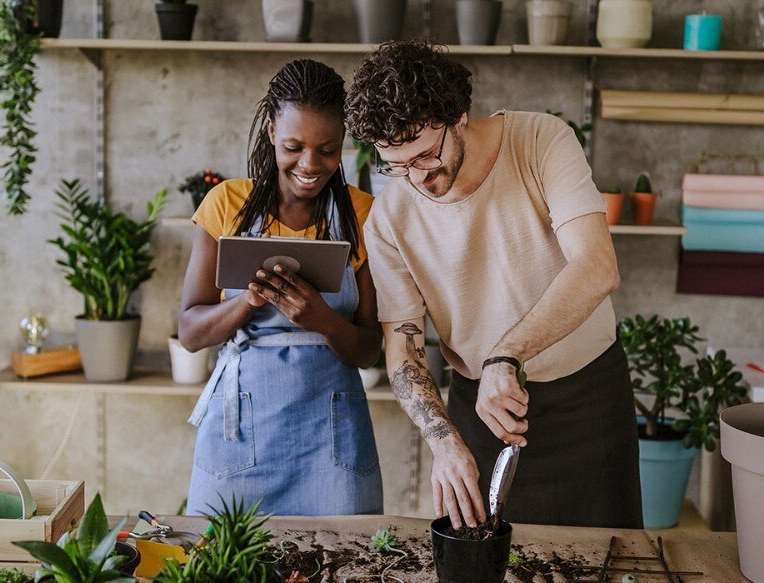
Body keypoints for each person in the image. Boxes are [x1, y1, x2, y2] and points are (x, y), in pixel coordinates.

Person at [345, 41, 641, 529]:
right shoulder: (389, 220)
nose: (416, 179)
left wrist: (507, 354)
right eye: (394, 166)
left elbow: (597, 266)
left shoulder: (540, 141)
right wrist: (444, 442)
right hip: (480, 415)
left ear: (458, 113)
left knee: (606, 560)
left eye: (424, 156)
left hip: (590, 403)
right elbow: (404, 351)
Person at [179, 60, 383, 516]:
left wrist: (323, 321)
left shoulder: (363, 214)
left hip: (330, 441)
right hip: (242, 438)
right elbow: (191, 333)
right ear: (271, 131)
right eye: (294, 146)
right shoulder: (226, 205)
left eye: (328, 150)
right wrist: (247, 303)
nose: (310, 165)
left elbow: (368, 349)